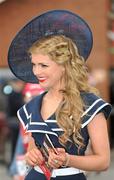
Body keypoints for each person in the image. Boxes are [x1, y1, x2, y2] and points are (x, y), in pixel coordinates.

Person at [8, 10, 112, 180]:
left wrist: (69, 159)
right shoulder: (32, 106)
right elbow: (30, 151)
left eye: (43, 65)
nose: (36, 71)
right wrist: (31, 156)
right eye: (34, 64)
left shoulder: (90, 105)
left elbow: (103, 161)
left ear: (64, 65)